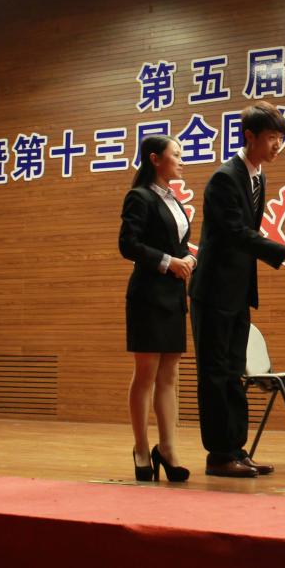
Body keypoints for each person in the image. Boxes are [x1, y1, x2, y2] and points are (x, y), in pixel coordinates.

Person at [189, 101, 285, 477]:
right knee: (215, 374)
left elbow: (249, 236)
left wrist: (284, 254)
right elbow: (237, 234)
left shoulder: (257, 178)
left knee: (234, 372)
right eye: (272, 137)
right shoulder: (225, 178)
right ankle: (218, 455)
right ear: (250, 136)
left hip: (238, 291)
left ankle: (236, 449)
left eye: (281, 138)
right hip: (214, 291)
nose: (278, 145)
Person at [118, 135, 194, 483]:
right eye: (175, 154)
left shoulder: (173, 199)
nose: (181, 160)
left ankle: (167, 449)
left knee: (170, 375)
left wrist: (189, 259)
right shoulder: (140, 196)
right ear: (154, 159)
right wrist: (168, 262)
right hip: (148, 295)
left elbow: (178, 245)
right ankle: (140, 448)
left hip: (174, 295)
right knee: (146, 373)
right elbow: (128, 244)